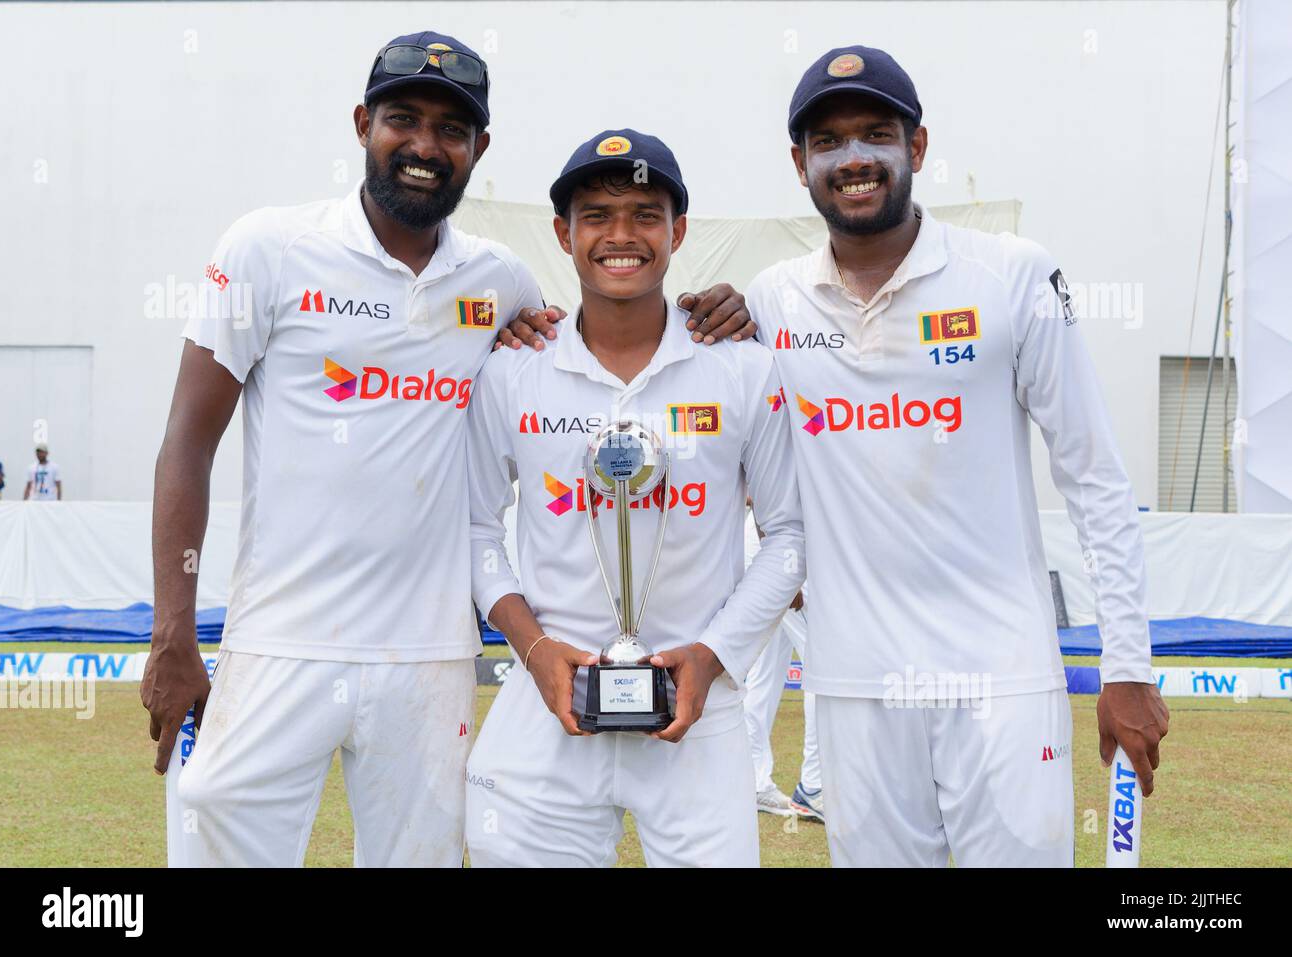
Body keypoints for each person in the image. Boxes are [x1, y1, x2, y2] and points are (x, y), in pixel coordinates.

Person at [143, 32, 754, 868]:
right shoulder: (269, 249)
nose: (426, 146)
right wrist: (172, 632)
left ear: (479, 148)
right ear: (363, 123)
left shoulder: (498, 283)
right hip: (278, 639)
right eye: (405, 119)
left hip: (430, 657)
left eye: (452, 130)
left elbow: (599, 344)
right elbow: (185, 443)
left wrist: (715, 311)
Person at [745, 45, 1169, 867]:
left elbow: (1095, 478)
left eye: (877, 134)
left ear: (918, 148)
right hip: (856, 687)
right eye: (828, 143)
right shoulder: (770, 301)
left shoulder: (1010, 277)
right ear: (801, 165)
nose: (855, 158)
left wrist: (1128, 662)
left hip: (1003, 683)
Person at [464, 130, 805, 867]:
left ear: (678, 231)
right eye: (597, 215)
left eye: (646, 214)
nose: (622, 235)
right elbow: (474, 529)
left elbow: (789, 535)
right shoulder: (513, 371)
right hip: (546, 709)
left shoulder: (743, 368)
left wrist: (711, 655)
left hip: (696, 717)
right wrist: (536, 648)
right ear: (564, 233)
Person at [743, 507, 822, 821]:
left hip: (783, 550)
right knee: (822, 670)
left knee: (765, 676)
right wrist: (781, 573)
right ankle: (814, 788)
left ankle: (755, 782)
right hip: (783, 553)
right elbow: (756, 494)